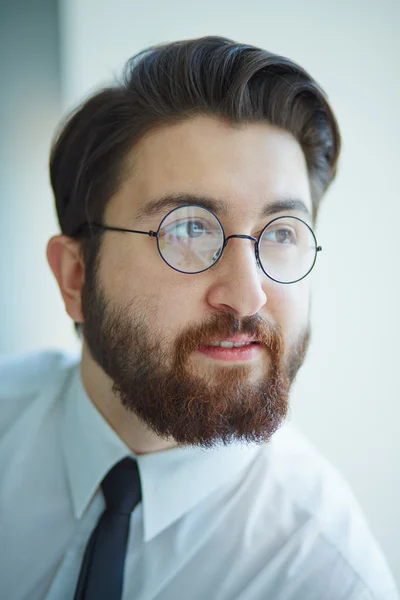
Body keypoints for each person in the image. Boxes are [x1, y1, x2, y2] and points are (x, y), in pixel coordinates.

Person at [0, 35, 397, 600]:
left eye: (281, 234)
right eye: (188, 228)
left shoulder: (325, 577)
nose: (248, 296)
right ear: (76, 277)